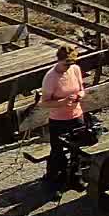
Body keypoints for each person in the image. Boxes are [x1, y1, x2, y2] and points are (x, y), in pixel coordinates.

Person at [39, 44, 88, 191]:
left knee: (77, 149)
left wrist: (79, 96)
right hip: (58, 120)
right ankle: (55, 180)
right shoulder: (50, 78)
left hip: (76, 115)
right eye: (66, 63)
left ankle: (75, 177)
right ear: (59, 60)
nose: (69, 66)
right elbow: (44, 103)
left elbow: (82, 90)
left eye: (71, 63)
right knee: (57, 152)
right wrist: (62, 102)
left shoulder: (75, 69)